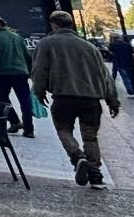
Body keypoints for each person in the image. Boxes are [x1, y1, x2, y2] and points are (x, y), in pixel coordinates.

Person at [31, 10, 121, 189]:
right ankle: (96, 176)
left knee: (64, 130)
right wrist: (113, 100)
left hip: (64, 98)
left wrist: (39, 92)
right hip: (90, 100)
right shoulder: (89, 46)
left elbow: (39, 71)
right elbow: (105, 76)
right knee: (91, 137)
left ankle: (77, 157)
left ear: (53, 25)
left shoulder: (47, 44)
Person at [0, 14, 35, 137]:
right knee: (25, 100)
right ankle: (29, 129)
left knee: (1, 96)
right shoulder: (17, 37)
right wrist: (28, 70)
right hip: (21, 73)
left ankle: (14, 121)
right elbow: (28, 56)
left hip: (4, 73)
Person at [108, 33, 134, 98]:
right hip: (129, 63)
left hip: (119, 63)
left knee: (125, 78)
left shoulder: (112, 44)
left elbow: (110, 52)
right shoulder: (127, 45)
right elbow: (133, 54)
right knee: (131, 77)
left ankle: (130, 92)